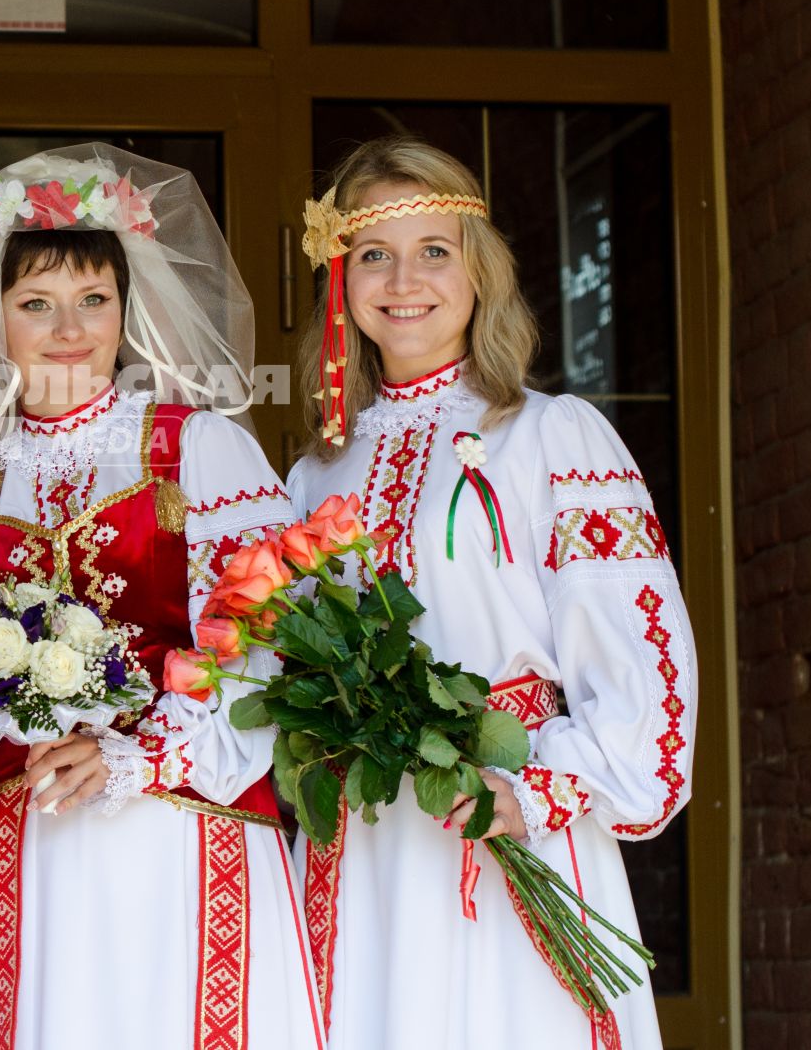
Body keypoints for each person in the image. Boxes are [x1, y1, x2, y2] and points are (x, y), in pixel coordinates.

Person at [0, 145, 323, 1050]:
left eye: (94, 300)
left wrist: (136, 759)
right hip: (24, 844)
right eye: (35, 303)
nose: (69, 327)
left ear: (127, 309)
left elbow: (269, 640)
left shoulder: (195, 448)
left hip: (176, 825)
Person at [285, 135, 696, 1050]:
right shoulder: (313, 474)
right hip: (362, 847)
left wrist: (536, 791)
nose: (405, 280)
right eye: (374, 255)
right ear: (340, 283)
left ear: (478, 271)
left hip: (508, 812)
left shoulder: (553, 438)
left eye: (435, 251)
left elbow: (638, 655)